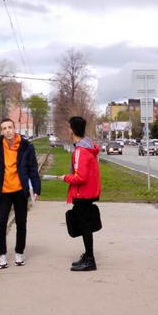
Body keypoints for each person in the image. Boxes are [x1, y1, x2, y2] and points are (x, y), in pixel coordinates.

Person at [0, 118, 41, 269]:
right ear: (1, 131)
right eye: (4, 128)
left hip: (20, 191)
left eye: (10, 127)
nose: (8, 130)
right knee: (1, 224)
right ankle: (2, 255)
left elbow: (32, 169)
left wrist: (36, 188)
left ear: (14, 128)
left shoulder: (26, 146)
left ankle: (19, 253)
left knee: (21, 223)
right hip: (3, 192)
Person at [62, 115, 102, 271]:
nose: (67, 130)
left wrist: (65, 177)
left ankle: (90, 260)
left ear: (72, 129)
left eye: (68, 127)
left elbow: (80, 177)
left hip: (82, 194)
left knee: (85, 226)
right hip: (89, 192)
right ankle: (88, 255)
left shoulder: (80, 150)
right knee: (86, 225)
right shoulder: (89, 147)